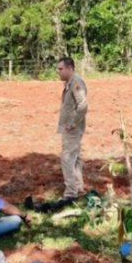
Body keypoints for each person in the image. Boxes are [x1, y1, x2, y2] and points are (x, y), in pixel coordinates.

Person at [57, 57, 88, 200]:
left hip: (72, 129)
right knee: (74, 158)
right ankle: (78, 187)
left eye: (60, 69)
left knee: (67, 158)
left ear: (69, 68)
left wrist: (72, 123)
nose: (58, 72)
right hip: (70, 128)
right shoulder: (70, 84)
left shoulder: (76, 83)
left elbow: (82, 105)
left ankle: (70, 193)